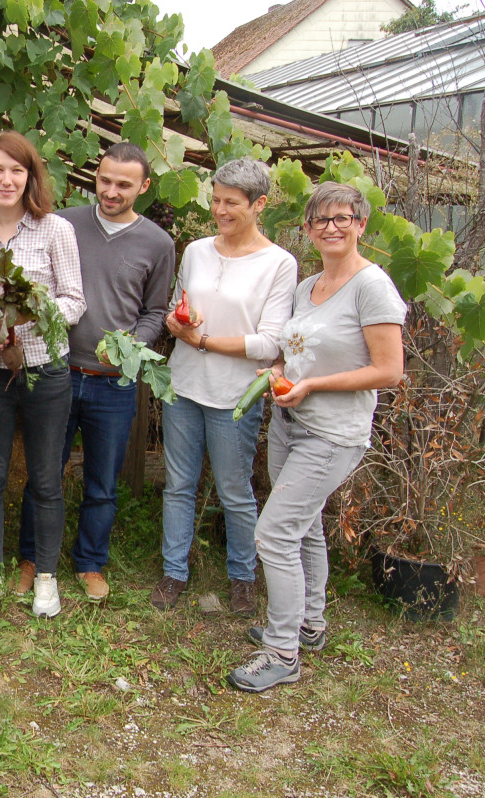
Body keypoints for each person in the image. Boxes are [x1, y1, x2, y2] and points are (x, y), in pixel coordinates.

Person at [229, 182, 405, 692]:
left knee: (274, 533)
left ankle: (282, 651)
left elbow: (390, 370)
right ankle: (308, 623)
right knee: (303, 528)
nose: (331, 227)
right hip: (290, 424)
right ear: (307, 230)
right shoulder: (308, 287)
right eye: (321, 220)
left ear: (361, 225)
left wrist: (312, 386)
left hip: (332, 433)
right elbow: (298, 351)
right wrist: (281, 371)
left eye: (342, 218)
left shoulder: (372, 287)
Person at [18, 142, 175, 603]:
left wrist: (131, 346)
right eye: (104, 180)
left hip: (114, 383)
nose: (110, 191)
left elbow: (156, 311)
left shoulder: (157, 243)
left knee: (103, 482)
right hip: (57, 370)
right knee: (44, 473)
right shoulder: (63, 223)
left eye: (123, 184)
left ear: (143, 187)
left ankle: (89, 562)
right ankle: (31, 556)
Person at [153, 157, 297, 616]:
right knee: (178, 484)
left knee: (235, 489)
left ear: (260, 205)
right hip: (184, 385)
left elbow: (271, 340)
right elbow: (177, 308)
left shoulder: (278, 263)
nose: (220, 210)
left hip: (234, 395)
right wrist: (182, 323)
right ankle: (173, 571)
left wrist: (206, 340)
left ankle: (242, 578)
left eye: (231, 203)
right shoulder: (196, 250)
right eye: (215, 200)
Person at [0, 131, 86, 619]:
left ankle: (47, 578)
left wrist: (36, 311)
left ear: (30, 176)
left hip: (46, 372)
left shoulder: (55, 231)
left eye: (17, 170)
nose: (7, 179)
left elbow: (75, 300)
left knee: (46, 478)